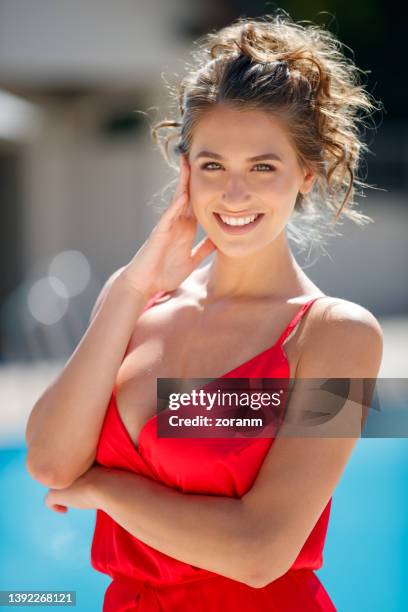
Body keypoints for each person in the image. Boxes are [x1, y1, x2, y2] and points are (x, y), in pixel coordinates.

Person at [26, 11, 383, 611]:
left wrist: (109, 490)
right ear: (185, 172)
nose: (234, 193)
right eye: (213, 165)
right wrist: (130, 287)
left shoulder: (340, 336)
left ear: (306, 174)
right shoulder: (137, 301)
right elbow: (51, 464)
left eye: (262, 167)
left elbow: (260, 554)